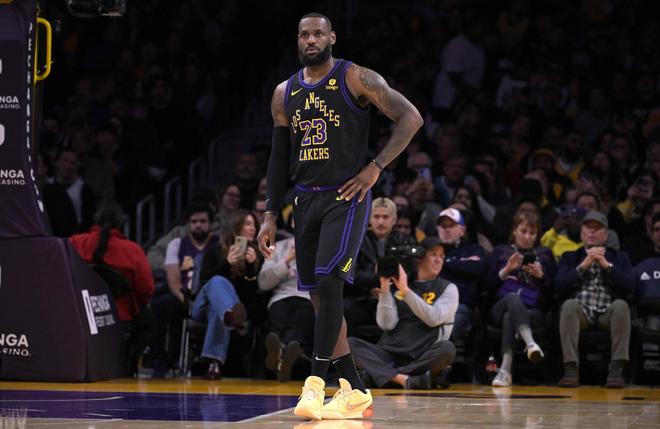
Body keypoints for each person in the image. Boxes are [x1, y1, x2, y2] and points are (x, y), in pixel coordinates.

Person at [257, 12, 423, 421]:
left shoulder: (355, 77)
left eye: (318, 33)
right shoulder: (283, 93)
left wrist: (376, 167)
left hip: (346, 195)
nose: (311, 40)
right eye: (304, 34)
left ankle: (315, 384)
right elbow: (278, 159)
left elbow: (411, 117)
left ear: (331, 37)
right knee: (317, 296)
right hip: (304, 201)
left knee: (330, 284)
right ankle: (355, 390)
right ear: (298, 40)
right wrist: (269, 214)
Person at [348, 237, 458, 390]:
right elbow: (387, 324)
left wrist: (406, 291)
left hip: (421, 356)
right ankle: (404, 379)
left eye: (441, 256)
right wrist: (385, 290)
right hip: (389, 353)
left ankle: (380, 375)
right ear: (420, 258)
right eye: (433, 254)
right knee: (349, 344)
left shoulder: (448, 288)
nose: (438, 260)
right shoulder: (399, 284)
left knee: (447, 349)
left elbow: (434, 318)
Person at [69, 202, 155, 376]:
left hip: (80, 315)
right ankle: (132, 367)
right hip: (121, 318)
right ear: (121, 222)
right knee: (149, 323)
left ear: (95, 220)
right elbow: (146, 290)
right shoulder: (133, 250)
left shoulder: (74, 243)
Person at [554, 211, 635, 388]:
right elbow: (559, 286)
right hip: (581, 313)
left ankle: (617, 368)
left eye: (597, 228)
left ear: (605, 235)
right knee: (568, 305)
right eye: (588, 227)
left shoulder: (620, 257)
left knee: (621, 306)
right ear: (582, 233)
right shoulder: (570, 256)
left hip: (607, 313)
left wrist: (607, 266)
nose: (592, 231)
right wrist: (584, 265)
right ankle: (571, 368)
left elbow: (630, 287)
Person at [485, 211, 556, 386]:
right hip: (499, 307)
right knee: (512, 298)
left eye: (532, 233)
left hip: (532, 310)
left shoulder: (545, 254)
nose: (527, 237)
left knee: (511, 316)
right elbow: (486, 285)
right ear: (514, 231)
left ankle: (505, 371)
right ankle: (530, 343)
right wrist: (507, 270)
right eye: (523, 231)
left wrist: (541, 276)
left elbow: (555, 290)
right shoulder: (500, 251)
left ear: (537, 235)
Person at [198, 209, 263, 379]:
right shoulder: (214, 251)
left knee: (219, 311)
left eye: (254, 225)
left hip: (228, 311)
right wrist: (226, 264)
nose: (253, 228)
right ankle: (231, 315)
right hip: (202, 305)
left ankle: (214, 363)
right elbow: (205, 284)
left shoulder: (255, 256)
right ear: (235, 226)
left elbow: (252, 297)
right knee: (218, 281)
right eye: (248, 224)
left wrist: (250, 268)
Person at [347, 197, 416, 340]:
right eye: (376, 216)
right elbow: (351, 273)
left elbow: (410, 273)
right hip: (363, 296)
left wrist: (386, 290)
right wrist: (375, 282)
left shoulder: (406, 241)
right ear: (369, 218)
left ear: (394, 220)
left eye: (385, 217)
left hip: (397, 296)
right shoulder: (355, 240)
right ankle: (349, 350)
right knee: (343, 308)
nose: (380, 221)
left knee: (410, 308)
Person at [258, 231, 315, 382]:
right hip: (281, 296)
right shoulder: (276, 248)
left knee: (302, 317)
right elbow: (263, 283)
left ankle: (279, 353)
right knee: (279, 316)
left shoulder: (321, 247)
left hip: (308, 297)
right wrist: (287, 259)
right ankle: (284, 357)